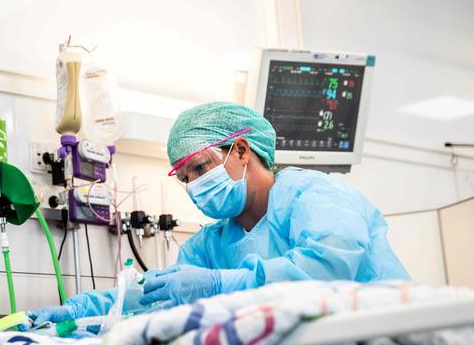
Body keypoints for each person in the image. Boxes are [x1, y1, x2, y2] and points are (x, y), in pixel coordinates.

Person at [24, 102, 409, 328]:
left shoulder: (317, 196)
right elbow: (153, 298)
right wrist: (80, 311)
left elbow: (327, 270)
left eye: (201, 167)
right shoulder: (209, 247)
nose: (193, 184)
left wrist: (219, 284)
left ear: (241, 150)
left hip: (390, 336)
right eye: (185, 176)